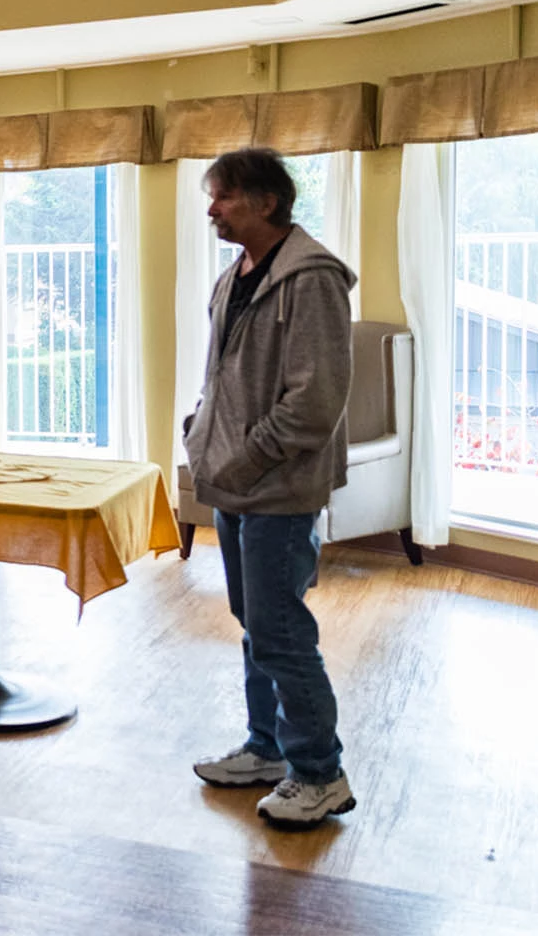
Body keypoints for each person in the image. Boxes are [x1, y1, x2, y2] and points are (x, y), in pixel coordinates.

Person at [183, 147, 357, 829]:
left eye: (223, 197)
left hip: (278, 489)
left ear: (266, 202)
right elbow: (219, 377)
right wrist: (202, 433)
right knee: (257, 625)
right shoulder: (237, 276)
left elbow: (315, 403)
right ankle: (267, 750)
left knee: (281, 631)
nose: (212, 210)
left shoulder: (310, 280)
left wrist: (244, 459)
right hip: (233, 482)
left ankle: (320, 773)